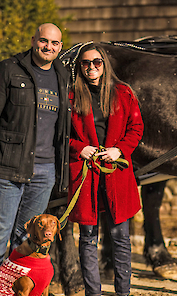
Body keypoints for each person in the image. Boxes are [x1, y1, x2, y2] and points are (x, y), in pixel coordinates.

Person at [0, 23, 70, 296]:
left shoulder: (62, 74)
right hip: (7, 166)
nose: (48, 47)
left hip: (45, 170)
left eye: (54, 43)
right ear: (33, 41)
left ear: (60, 47)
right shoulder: (8, 69)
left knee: (26, 239)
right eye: (43, 41)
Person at [67, 44, 143, 296]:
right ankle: (93, 293)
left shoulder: (123, 93)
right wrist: (80, 148)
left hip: (115, 174)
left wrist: (119, 150)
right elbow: (58, 135)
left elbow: (136, 128)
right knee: (88, 238)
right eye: (86, 63)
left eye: (97, 62)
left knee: (120, 238)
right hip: (86, 174)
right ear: (80, 66)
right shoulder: (71, 97)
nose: (91, 67)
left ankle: (123, 293)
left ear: (104, 64)